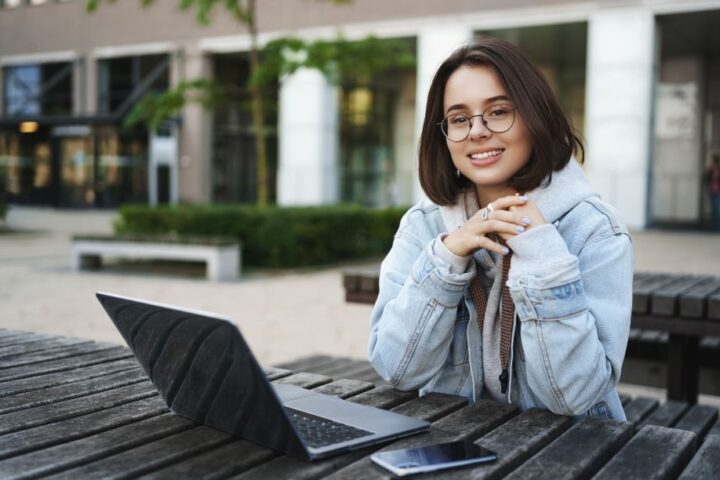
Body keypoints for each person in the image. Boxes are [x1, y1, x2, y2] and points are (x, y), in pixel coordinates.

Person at [368, 38, 633, 421]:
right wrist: (446, 259)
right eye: (459, 119)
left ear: (535, 116)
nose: (477, 131)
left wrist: (544, 257)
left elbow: (574, 397)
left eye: (498, 111)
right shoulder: (423, 227)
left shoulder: (595, 229)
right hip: (456, 442)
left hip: (572, 453)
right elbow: (397, 370)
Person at [707, 154, 720, 227]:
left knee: (716, 206)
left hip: (717, 190)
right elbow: (707, 178)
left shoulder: (718, 169)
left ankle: (717, 222)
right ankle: (713, 222)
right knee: (713, 206)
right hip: (712, 189)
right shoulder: (711, 170)